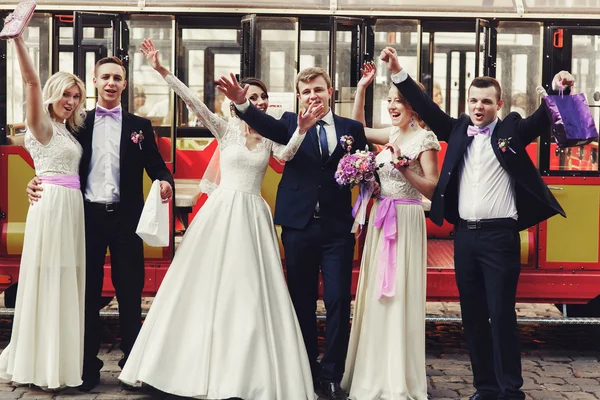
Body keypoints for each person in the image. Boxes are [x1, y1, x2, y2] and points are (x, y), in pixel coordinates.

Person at [119, 39, 315, 400]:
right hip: (222, 213)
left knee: (250, 291)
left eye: (260, 98)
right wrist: (162, 70)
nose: (256, 103)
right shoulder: (226, 130)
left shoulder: (270, 135)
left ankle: (244, 369)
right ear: (238, 99)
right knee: (203, 286)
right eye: (250, 97)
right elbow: (191, 100)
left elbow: (286, 157)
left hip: (253, 215)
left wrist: (301, 129)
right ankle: (182, 367)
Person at [380, 46, 570, 400]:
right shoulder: (456, 130)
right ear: (467, 103)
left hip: (500, 238)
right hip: (464, 238)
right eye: (473, 101)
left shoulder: (511, 129)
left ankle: (510, 390)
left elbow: (543, 119)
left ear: (498, 105)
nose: (478, 107)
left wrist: (559, 88)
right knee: (473, 318)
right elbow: (424, 107)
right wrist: (398, 72)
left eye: (486, 101)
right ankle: (484, 387)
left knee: (501, 317)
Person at [218, 67, 368, 400]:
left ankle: (332, 373)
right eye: (306, 91)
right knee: (300, 300)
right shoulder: (287, 122)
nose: (312, 95)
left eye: (318, 89)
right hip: (298, 226)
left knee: (339, 300)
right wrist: (243, 104)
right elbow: (261, 124)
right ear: (299, 96)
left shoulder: (351, 129)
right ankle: (304, 367)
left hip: (336, 228)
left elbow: (365, 167)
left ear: (330, 91)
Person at [27, 55, 174, 392]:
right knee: (87, 294)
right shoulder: (78, 122)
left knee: (130, 293)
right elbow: (54, 159)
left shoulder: (141, 127)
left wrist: (165, 181)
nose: (111, 83)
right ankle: (87, 367)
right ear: (95, 82)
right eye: (105, 77)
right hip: (84, 219)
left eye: (117, 78)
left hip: (126, 220)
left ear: (125, 84)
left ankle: (131, 365)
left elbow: (157, 166)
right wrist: (36, 181)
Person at [341, 61, 440, 400]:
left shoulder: (425, 139)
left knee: (398, 293)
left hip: (408, 219)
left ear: (414, 106)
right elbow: (357, 129)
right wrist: (362, 89)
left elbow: (432, 189)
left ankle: (398, 378)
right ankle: (372, 372)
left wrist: (404, 168)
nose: (393, 105)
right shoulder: (393, 134)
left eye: (399, 100)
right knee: (377, 294)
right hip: (383, 218)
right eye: (390, 99)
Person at [0, 28, 87, 390]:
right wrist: (17, 39)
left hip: (70, 207)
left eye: (77, 96)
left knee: (65, 282)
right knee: (50, 280)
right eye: (66, 94)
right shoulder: (43, 125)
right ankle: (44, 365)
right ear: (53, 95)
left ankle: (59, 361)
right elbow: (31, 82)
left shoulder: (68, 130)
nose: (71, 101)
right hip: (52, 207)